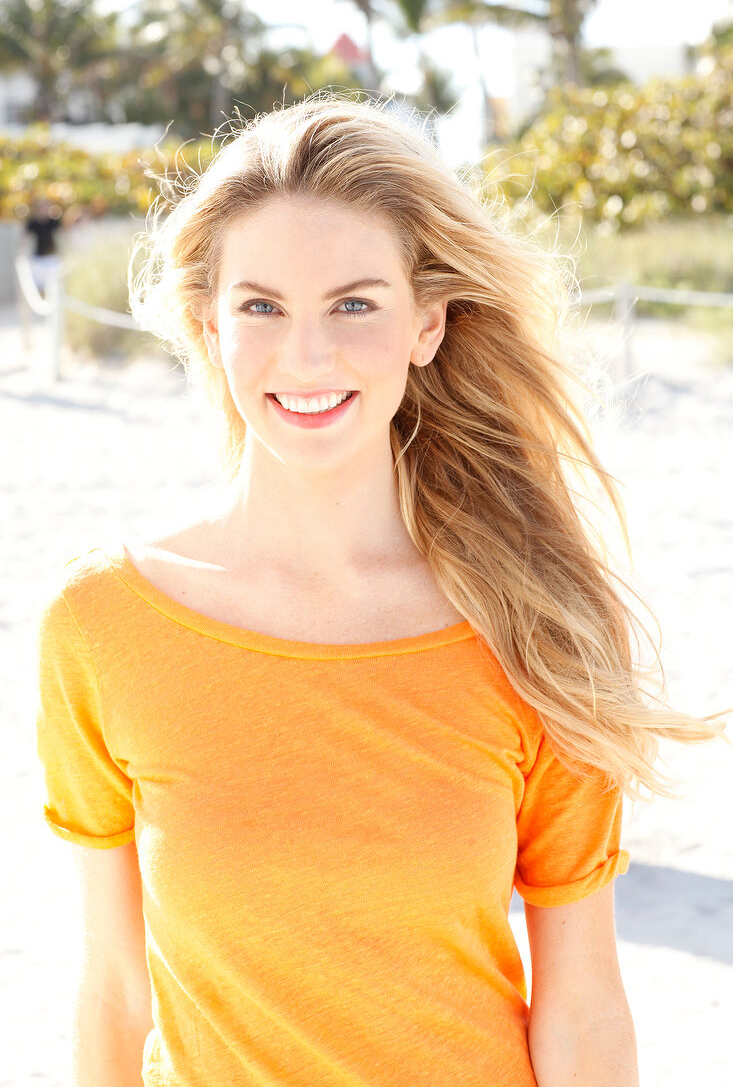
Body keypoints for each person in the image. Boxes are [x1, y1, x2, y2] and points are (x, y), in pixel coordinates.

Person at [35, 94, 722, 1087]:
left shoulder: (533, 627)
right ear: (207, 321)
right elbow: (111, 987)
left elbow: (579, 1009)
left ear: (427, 323)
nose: (305, 354)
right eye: (260, 304)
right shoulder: (102, 625)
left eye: (354, 303)